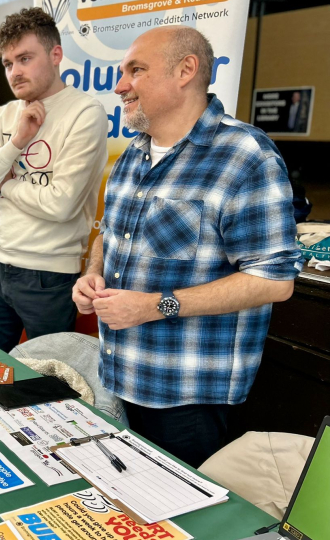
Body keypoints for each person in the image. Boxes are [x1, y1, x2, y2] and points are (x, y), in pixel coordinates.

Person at [72, 27, 302, 468]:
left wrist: (157, 306)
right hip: (118, 377)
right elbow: (108, 234)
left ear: (186, 70)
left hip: (187, 398)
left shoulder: (246, 157)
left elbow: (274, 281)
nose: (120, 85)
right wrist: (92, 272)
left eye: (135, 70)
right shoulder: (132, 156)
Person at [0, 8, 107, 353]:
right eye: (8, 63)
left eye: (25, 58)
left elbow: (60, 204)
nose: (15, 71)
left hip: (48, 274)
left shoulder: (85, 112)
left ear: (56, 54)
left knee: (44, 383)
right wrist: (15, 143)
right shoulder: (5, 115)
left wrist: (6, 183)